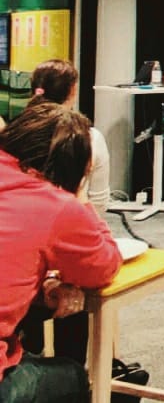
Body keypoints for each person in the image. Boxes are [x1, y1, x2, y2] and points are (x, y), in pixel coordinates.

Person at [0, 102, 122, 402]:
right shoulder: (56, 206)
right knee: (71, 376)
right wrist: (79, 198)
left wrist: (37, 289)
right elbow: (104, 265)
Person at [30, 58, 110, 217]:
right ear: (73, 90)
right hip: (72, 224)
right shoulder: (90, 138)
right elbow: (98, 204)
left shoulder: (13, 133)